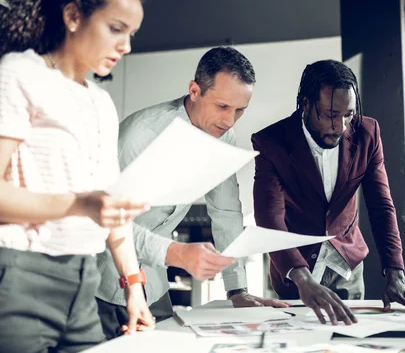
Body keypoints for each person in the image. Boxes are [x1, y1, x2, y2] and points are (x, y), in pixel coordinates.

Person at [0, 0, 155, 352]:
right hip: (20, 278)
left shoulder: (102, 103)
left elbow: (108, 205)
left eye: (132, 33)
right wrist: (79, 203)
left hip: (83, 285)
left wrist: (133, 286)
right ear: (73, 16)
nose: (126, 45)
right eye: (116, 29)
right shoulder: (19, 74)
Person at [95, 46, 288, 339]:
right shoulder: (140, 135)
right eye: (223, 107)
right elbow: (103, 220)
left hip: (155, 287)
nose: (229, 121)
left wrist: (237, 289)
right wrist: (177, 254)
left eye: (240, 110)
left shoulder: (224, 135)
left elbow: (226, 212)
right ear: (194, 91)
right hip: (103, 286)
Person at [252, 60, 405, 325]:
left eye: (348, 114)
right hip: (296, 271)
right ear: (305, 103)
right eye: (330, 115)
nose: (340, 126)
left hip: (348, 266)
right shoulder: (271, 142)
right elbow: (270, 219)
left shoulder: (367, 133)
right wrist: (303, 279)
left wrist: (395, 272)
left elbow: (381, 206)